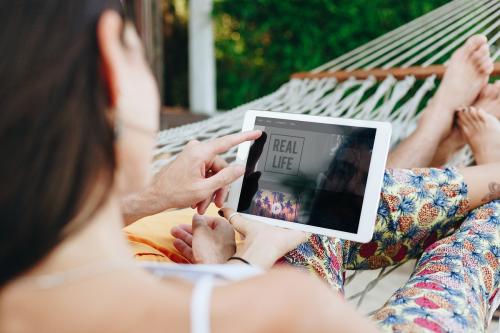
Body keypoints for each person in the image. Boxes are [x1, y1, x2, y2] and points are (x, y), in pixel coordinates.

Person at [0, 2, 498, 333]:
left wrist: (153, 198)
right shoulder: (284, 311)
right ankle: (486, 171)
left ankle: (450, 144)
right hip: (238, 267)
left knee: (324, 197)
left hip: (212, 254)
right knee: (475, 242)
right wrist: (240, 265)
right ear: (112, 65)